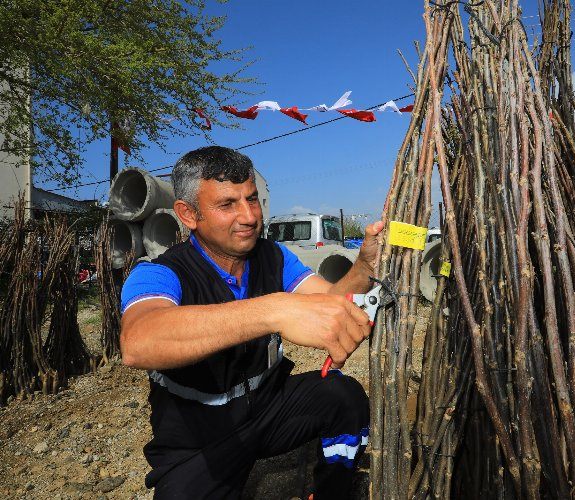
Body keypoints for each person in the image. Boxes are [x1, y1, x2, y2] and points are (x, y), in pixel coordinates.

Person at [120, 146, 383, 499]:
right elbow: (140, 341)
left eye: (252, 199)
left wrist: (364, 266)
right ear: (188, 214)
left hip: (267, 408)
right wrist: (275, 309)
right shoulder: (159, 273)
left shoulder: (273, 256)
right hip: (197, 439)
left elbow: (332, 303)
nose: (248, 216)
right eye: (227, 204)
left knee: (343, 395)